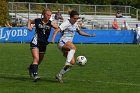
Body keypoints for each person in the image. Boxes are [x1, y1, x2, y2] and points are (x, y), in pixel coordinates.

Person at [51, 10, 96, 83]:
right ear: (71, 17)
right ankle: (67, 62)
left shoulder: (75, 24)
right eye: (75, 18)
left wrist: (90, 35)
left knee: (72, 63)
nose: (76, 20)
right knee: (73, 48)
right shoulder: (66, 23)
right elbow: (57, 30)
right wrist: (53, 39)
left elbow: (80, 32)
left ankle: (59, 75)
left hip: (68, 44)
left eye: (77, 18)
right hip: (62, 42)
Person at [27, 8, 59, 82]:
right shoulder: (37, 20)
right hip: (35, 42)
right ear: (43, 14)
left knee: (39, 61)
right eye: (47, 15)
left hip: (43, 44)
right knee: (36, 58)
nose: (49, 16)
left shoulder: (50, 23)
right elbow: (29, 21)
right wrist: (29, 26)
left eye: (50, 15)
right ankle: (35, 75)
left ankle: (31, 67)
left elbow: (58, 28)